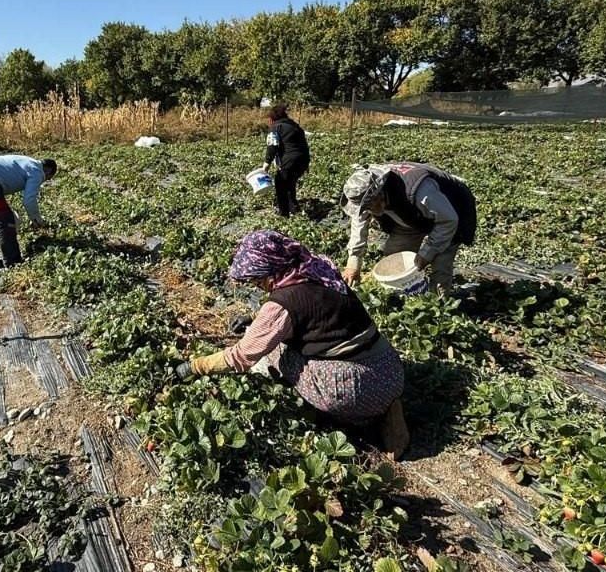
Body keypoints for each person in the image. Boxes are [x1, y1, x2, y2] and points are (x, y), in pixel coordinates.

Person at [177, 230, 409, 457]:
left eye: (257, 280)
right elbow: (314, 311)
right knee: (284, 342)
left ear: (270, 272)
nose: (257, 286)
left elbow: (241, 356)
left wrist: (195, 367)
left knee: (278, 353)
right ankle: (386, 405)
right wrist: (255, 319)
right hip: (390, 369)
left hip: (359, 388)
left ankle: (367, 417)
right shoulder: (317, 268)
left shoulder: (282, 305)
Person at [339, 162, 476, 292]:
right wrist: (353, 261)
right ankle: (402, 293)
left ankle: (437, 303)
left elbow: (448, 220)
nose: (367, 211)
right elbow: (359, 222)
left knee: (440, 264)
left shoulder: (420, 192)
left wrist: (427, 253)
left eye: (369, 207)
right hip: (413, 216)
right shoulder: (367, 194)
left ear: (379, 196)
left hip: (452, 212)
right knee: (394, 257)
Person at [264, 103, 310, 217]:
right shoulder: (294, 125)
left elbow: (272, 146)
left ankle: (284, 213)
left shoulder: (275, 127)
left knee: (280, 183)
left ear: (271, 119)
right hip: (303, 159)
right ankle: (293, 207)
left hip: (290, 160)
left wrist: (266, 164)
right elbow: (302, 144)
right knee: (290, 182)